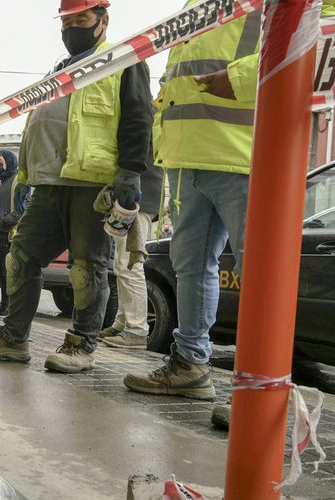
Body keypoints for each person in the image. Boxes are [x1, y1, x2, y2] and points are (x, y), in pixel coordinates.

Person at [0, 0, 152, 373]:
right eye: (67, 22)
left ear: (103, 21)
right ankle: (14, 339)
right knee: (20, 258)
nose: (72, 29)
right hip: (48, 184)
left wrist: (130, 170)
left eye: (81, 20)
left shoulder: (123, 60)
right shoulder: (60, 70)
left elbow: (138, 115)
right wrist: (26, 175)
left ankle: (82, 345)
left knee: (87, 268)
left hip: (91, 183)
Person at [123, 0, 260, 399]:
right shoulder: (196, 4)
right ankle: (190, 364)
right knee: (191, 268)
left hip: (245, 154)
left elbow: (318, 41)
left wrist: (239, 77)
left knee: (263, 275)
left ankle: (256, 390)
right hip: (187, 157)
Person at [99, 147, 162, 349]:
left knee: (129, 264)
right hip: (142, 194)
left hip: (138, 196)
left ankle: (136, 330)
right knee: (121, 263)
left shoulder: (143, 120)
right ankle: (122, 323)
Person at [0, 150, 28, 315]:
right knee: (3, 274)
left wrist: (3, 222)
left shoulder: (18, 182)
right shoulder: (0, 184)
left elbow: (23, 210)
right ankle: (4, 307)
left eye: (0, 162)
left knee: (11, 274)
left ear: (10, 161)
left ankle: (10, 309)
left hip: (9, 237)